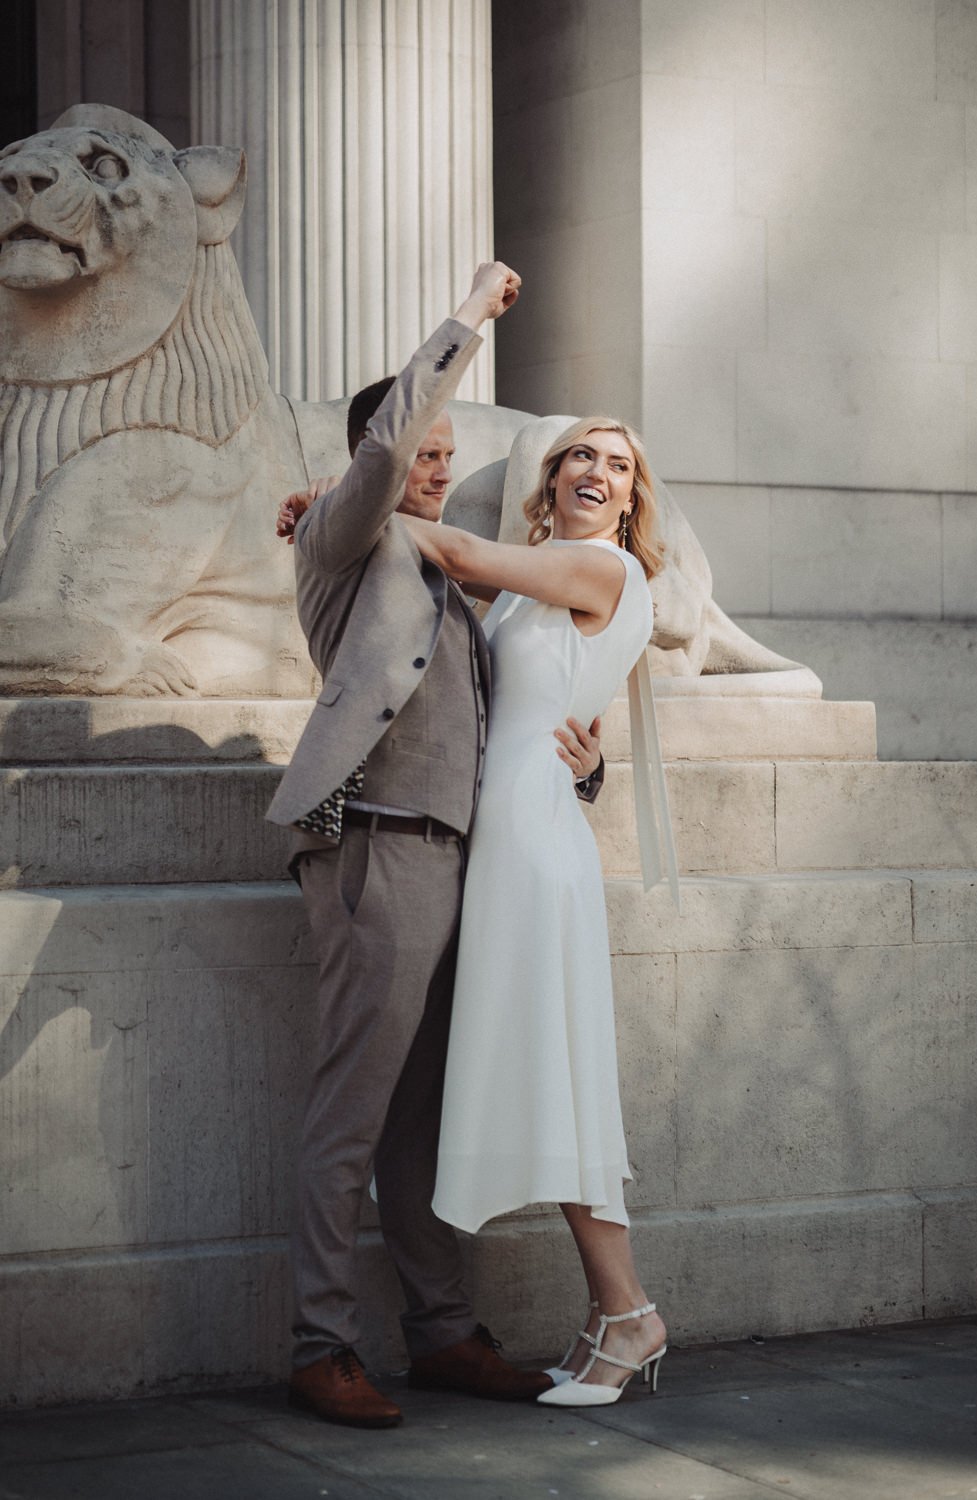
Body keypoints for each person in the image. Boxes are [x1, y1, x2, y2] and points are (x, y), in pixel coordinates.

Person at [266, 262, 605, 1430]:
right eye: (422, 448)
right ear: (376, 451)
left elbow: (509, 719)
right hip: (373, 844)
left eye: (450, 454)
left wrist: (585, 766)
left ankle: (441, 1331)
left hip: (466, 861)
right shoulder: (346, 538)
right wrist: (468, 316)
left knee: (422, 1114)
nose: (442, 465)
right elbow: (379, 464)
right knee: (352, 1109)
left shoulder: (450, 576)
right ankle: (320, 1345)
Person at [398, 411, 671, 1407]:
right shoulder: (541, 578)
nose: (600, 472)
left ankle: (629, 1312)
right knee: (549, 1076)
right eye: (583, 457)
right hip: (508, 840)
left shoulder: (602, 570)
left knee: (562, 1081)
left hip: (530, 850)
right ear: (549, 478)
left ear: (630, 499)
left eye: (619, 466)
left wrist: (345, 518)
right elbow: (460, 588)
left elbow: (456, 550)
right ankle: (618, 1313)